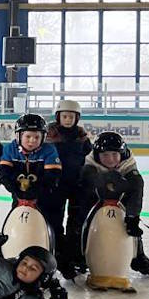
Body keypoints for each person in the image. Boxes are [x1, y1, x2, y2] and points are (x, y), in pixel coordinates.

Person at [77, 131, 149, 279]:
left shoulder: (129, 166)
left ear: (122, 153)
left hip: (120, 201)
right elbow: (87, 187)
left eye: (114, 154)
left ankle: (138, 256)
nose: (110, 159)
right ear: (97, 155)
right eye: (105, 155)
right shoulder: (90, 165)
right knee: (82, 224)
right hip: (95, 201)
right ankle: (79, 254)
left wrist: (132, 217)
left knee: (132, 229)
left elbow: (136, 193)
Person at [45, 100, 92, 276]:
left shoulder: (82, 138)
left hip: (77, 185)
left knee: (76, 221)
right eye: (64, 116)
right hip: (56, 185)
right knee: (55, 220)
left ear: (77, 118)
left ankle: (74, 255)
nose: (67, 119)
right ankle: (55, 252)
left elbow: (91, 159)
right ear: (58, 117)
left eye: (71, 116)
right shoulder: (49, 137)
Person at [0, 114, 62, 215]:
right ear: (19, 136)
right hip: (18, 196)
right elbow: (4, 173)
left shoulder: (49, 150)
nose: (32, 140)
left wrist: (37, 192)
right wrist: (15, 189)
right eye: (28, 136)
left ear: (43, 137)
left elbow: (52, 176)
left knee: (49, 218)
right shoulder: (10, 149)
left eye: (37, 137)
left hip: (44, 196)